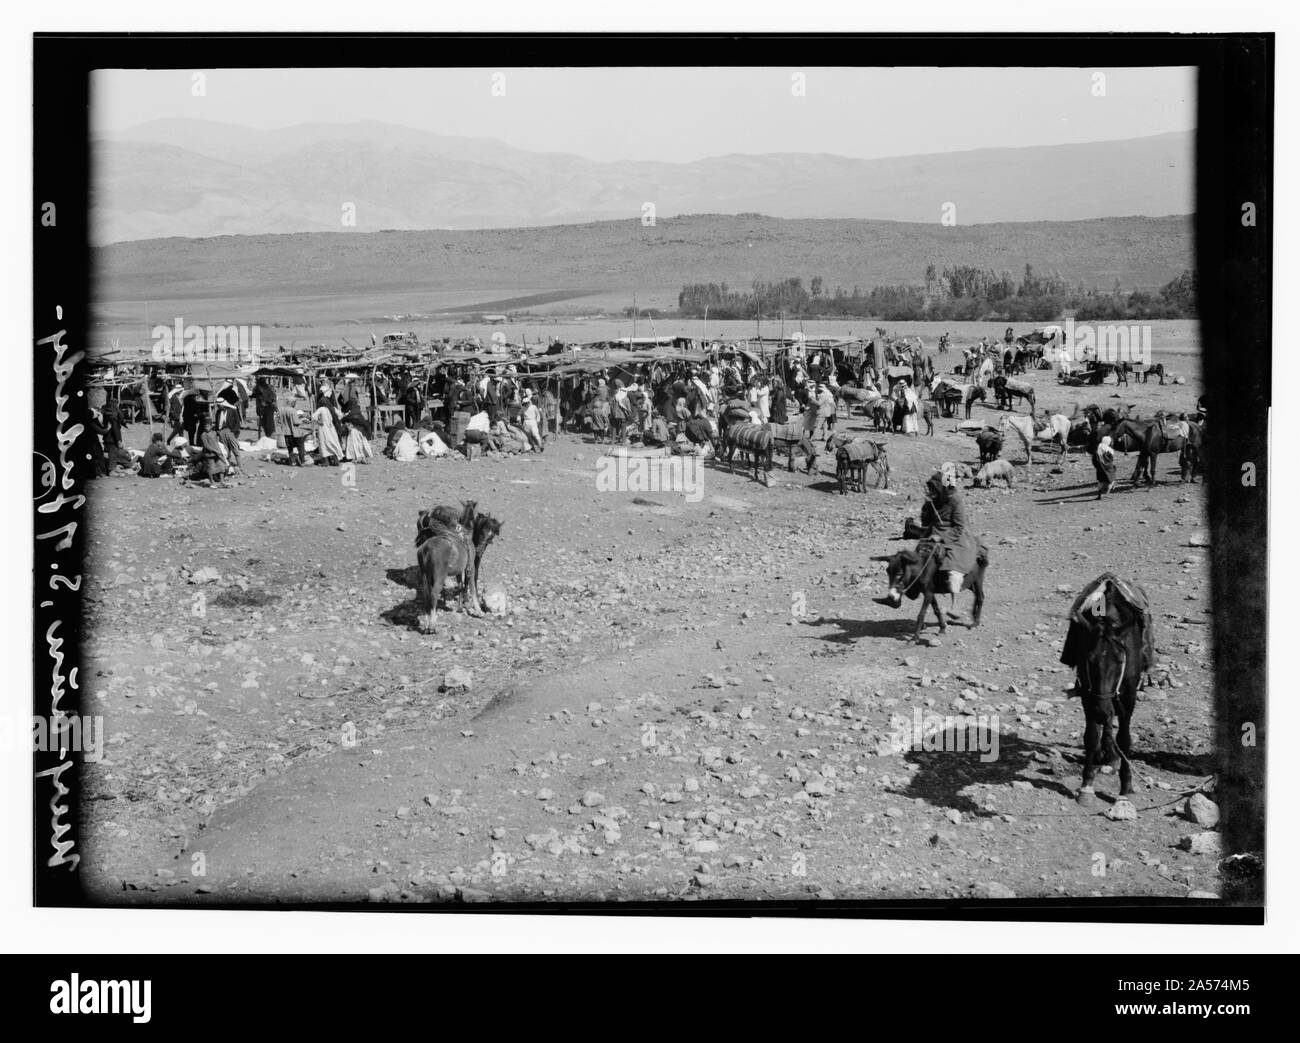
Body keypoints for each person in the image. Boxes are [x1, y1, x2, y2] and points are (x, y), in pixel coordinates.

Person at [918, 470, 981, 624]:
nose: (931, 491)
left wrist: (942, 537)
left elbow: (959, 527)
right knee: (914, 562)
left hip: (955, 538)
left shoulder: (956, 501)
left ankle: (955, 604)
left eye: (933, 488)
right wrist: (926, 508)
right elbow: (925, 523)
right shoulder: (933, 502)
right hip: (932, 535)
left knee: (953, 568)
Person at [277, 393, 308, 466]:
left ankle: (292, 461)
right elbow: (296, 422)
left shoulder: (282, 410)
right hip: (295, 432)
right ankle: (302, 461)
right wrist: (302, 420)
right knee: (300, 447)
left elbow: (279, 421)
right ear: (292, 403)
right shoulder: (293, 410)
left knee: (290, 448)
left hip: (286, 432)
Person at [312, 400, 343, 465]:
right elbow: (340, 415)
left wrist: (318, 421)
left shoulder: (321, 409)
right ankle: (336, 461)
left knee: (324, 444)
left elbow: (313, 416)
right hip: (331, 429)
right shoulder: (331, 408)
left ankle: (326, 462)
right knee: (332, 443)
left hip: (323, 428)